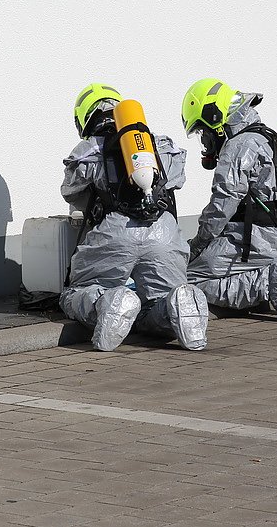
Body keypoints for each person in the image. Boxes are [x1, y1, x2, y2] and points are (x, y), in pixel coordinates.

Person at [59, 83, 209, 351]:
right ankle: (176, 302)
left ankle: (109, 301)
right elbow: (177, 179)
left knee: (75, 292)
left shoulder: (89, 149)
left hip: (115, 230)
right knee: (159, 300)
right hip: (163, 230)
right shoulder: (156, 144)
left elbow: (70, 192)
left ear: (86, 117)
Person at [181, 78, 277, 321]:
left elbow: (223, 203)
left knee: (186, 278)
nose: (204, 140)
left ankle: (266, 282)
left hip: (254, 239)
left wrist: (198, 243)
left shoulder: (238, 146)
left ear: (216, 121)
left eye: (203, 131)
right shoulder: (265, 136)